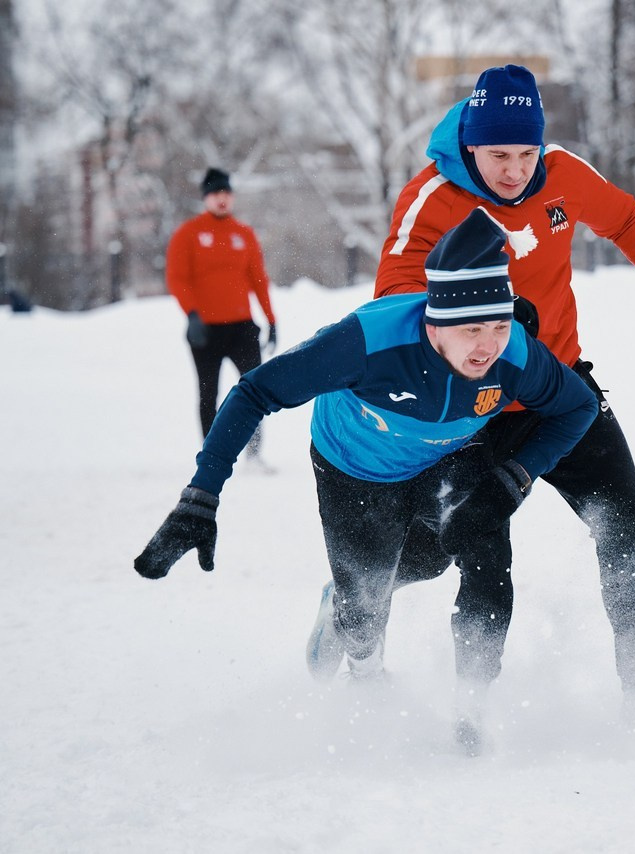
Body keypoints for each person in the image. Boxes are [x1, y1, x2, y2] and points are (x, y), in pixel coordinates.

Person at [135, 208, 599, 755]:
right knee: (364, 611)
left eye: (498, 326)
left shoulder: (515, 354)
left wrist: (515, 477)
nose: (487, 346)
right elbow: (254, 391)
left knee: (472, 552)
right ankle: (360, 655)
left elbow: (579, 407)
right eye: (471, 328)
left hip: (447, 458)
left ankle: (471, 706)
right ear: (432, 325)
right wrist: (200, 497)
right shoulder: (368, 342)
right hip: (354, 469)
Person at [367, 64, 635, 707]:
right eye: (498, 156)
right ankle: (453, 692)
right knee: (446, 557)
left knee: (627, 527)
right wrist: (478, 314)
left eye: (526, 153)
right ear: (469, 146)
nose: (515, 170)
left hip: (561, 396)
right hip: (470, 409)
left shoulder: (563, 175)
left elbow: (624, 218)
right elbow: (391, 300)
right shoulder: (432, 199)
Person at [166, 167, 278, 460]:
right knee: (208, 395)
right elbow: (177, 279)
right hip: (205, 329)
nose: (222, 199)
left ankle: (254, 453)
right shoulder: (188, 233)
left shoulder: (244, 234)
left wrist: (271, 320)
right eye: (216, 193)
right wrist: (191, 314)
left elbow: (258, 280)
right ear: (205, 198)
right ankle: (213, 454)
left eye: (226, 193)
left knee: (254, 391)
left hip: (242, 328)